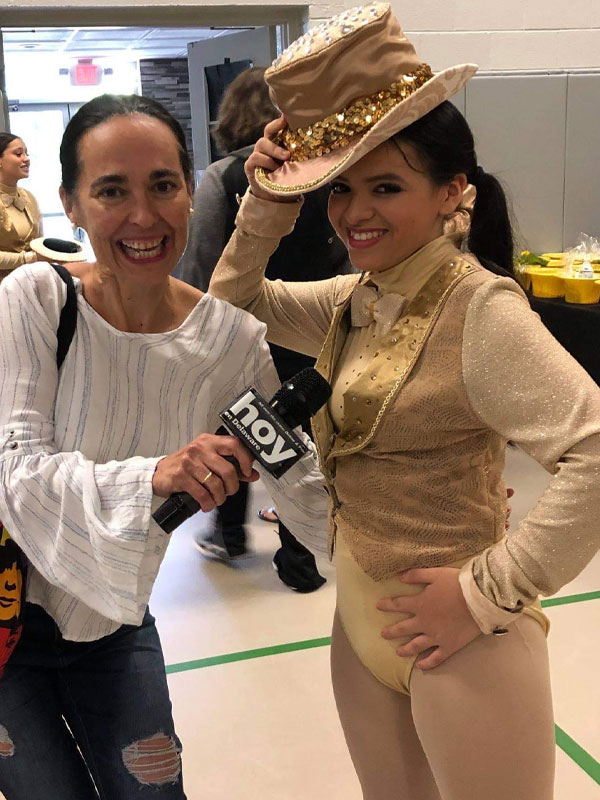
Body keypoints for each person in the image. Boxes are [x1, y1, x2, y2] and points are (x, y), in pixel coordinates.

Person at [208, 5, 600, 799]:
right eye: (340, 188)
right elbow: (233, 305)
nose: (354, 212)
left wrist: (488, 592)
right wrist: (270, 201)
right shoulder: (355, 298)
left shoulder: (480, 309)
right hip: (360, 623)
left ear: (452, 191)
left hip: (465, 641)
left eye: (385, 187)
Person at [0, 93, 327, 800]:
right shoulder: (36, 300)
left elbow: (299, 480)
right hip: (7, 625)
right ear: (71, 204)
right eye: (112, 191)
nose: (143, 217)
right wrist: (158, 474)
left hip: (113, 621)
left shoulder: (228, 342)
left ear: (190, 192)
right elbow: (17, 473)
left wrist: (431, 514)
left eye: (162, 186)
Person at [177, 66, 349, 592]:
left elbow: (203, 265)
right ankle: (300, 559)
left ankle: (229, 532)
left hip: (244, 334)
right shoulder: (323, 177)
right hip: (313, 332)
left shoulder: (224, 177)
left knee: (237, 435)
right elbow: (342, 256)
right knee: (305, 444)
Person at [0, 133, 44, 280]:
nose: (26, 159)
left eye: (27, 153)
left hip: (30, 284)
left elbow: (41, 242)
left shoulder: (29, 198)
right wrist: (28, 259)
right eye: (18, 154)